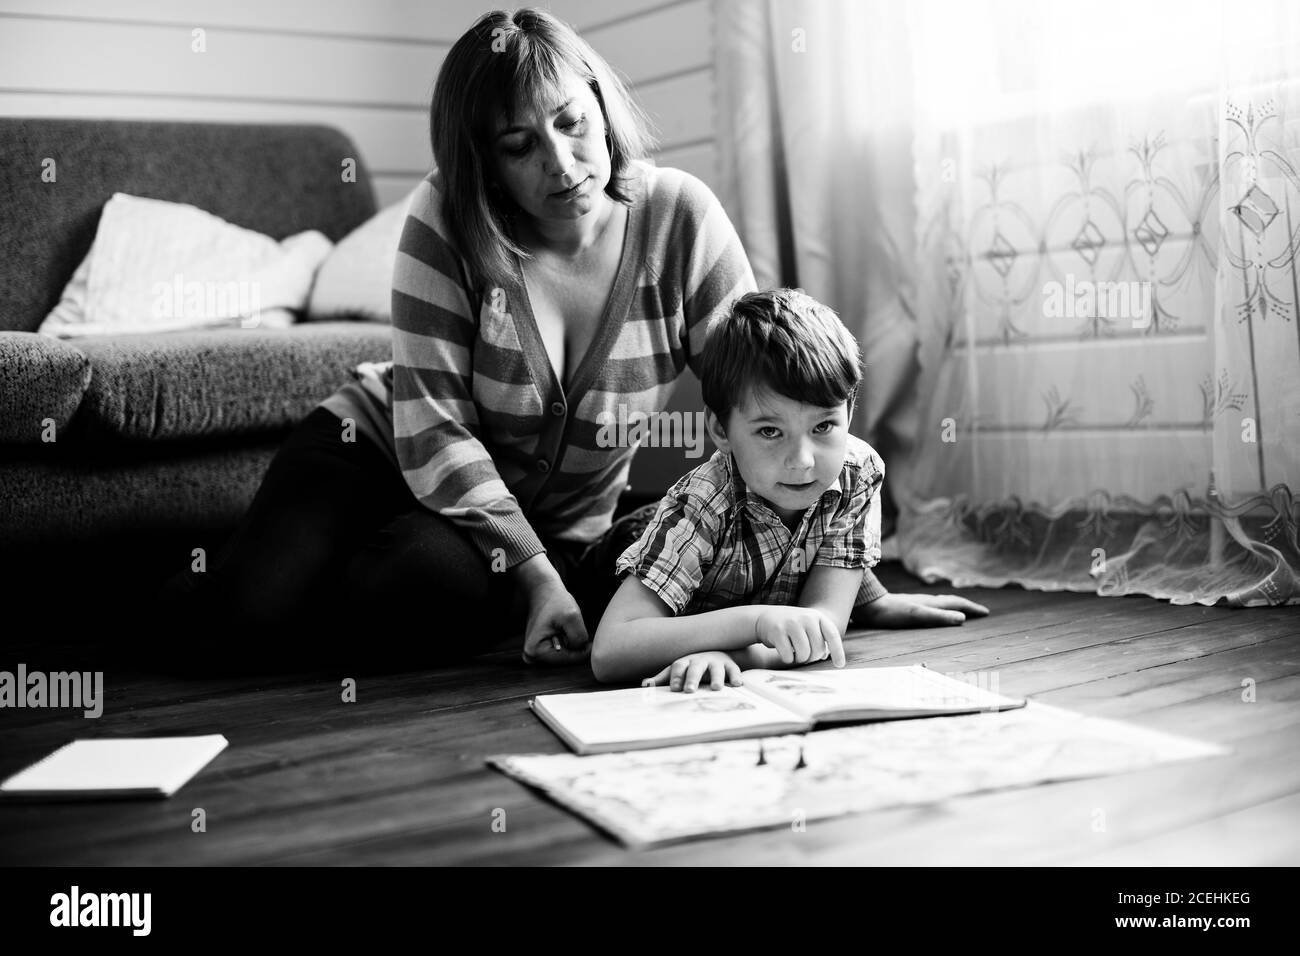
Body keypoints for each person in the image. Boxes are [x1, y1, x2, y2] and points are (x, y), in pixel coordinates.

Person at [155, 8, 984, 673]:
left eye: (570, 122)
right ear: (484, 165)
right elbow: (436, 429)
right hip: (374, 451)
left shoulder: (679, 218)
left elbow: (762, 395)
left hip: (525, 526)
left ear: (600, 105)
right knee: (247, 628)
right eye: (520, 145)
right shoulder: (443, 225)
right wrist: (541, 580)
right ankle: (246, 576)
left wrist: (851, 580)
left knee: (422, 587)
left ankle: (362, 588)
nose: (561, 162)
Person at [591, 289, 970, 690]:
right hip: (622, 550)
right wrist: (756, 623)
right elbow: (610, 652)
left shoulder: (858, 472)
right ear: (722, 430)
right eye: (770, 431)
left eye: (823, 426)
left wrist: (735, 655)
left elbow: (819, 627)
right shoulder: (701, 504)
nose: (803, 460)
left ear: (850, 411)